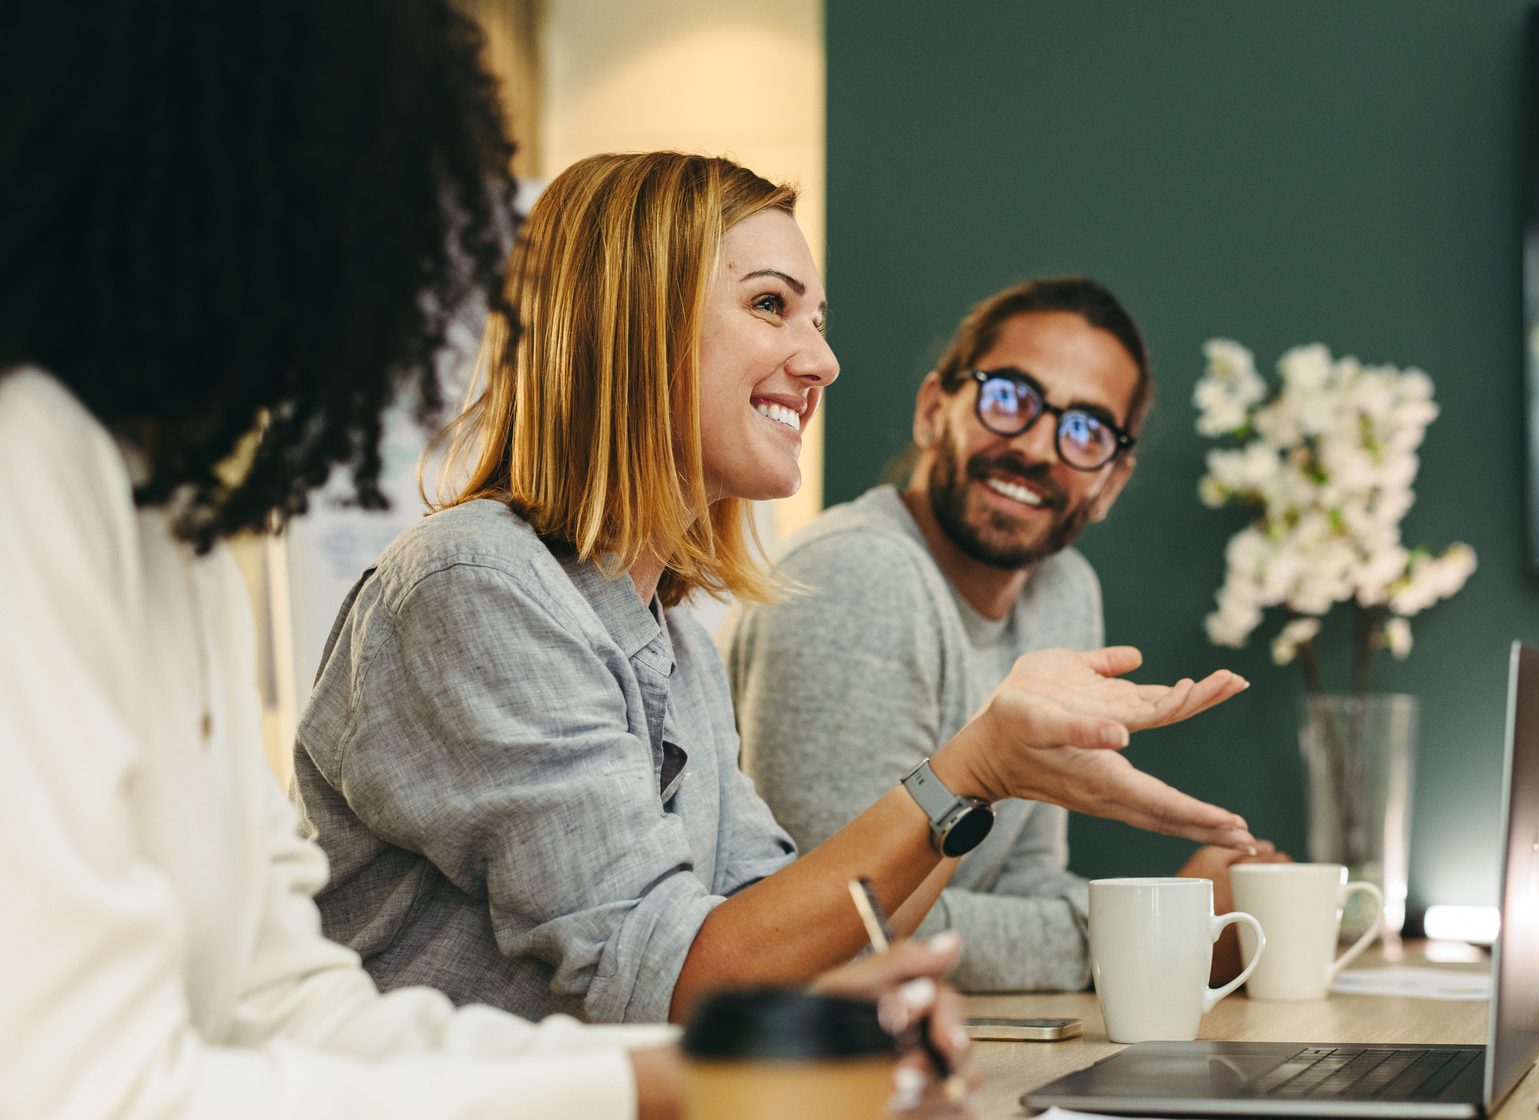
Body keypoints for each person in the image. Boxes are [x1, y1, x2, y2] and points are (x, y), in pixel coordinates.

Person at [0, 1, 966, 1120]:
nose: (408, 276)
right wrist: (652, 1103)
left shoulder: (168, 530)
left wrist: (726, 1070)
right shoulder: (33, 464)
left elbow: (292, 1012)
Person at [295, 156, 1258, 1026]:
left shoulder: (671, 639)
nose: (823, 361)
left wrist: (991, 783)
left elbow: (798, 937)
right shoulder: (476, 584)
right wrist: (974, 769)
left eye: (817, 320)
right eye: (769, 305)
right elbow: (674, 976)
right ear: (637, 320)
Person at [726, 279, 1274, 992]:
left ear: (1109, 481)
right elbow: (843, 934)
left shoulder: (1063, 589)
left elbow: (1024, 880)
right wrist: (1161, 932)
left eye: (1085, 431)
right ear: (932, 410)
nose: (1040, 448)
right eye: (1010, 397)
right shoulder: (856, 575)